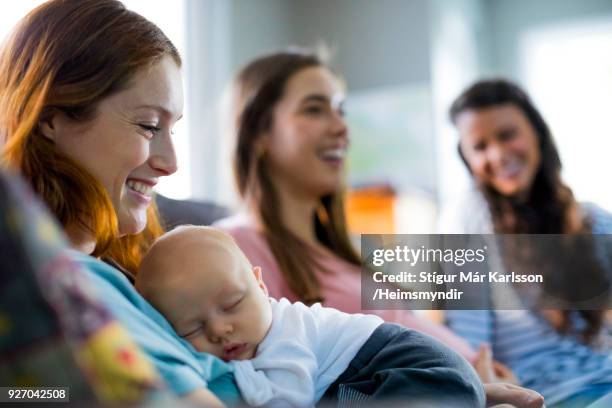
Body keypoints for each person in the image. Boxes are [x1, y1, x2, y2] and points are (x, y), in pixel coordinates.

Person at [215, 50, 544, 408]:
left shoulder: (342, 254)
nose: (342, 127)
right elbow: (269, 382)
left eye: (341, 109)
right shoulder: (234, 247)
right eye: (314, 108)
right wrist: (475, 390)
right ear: (258, 132)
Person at [0, 1, 237, 406]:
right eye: (148, 126)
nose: (172, 164)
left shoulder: (363, 235)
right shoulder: (232, 239)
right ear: (51, 117)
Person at [135, 225, 486, 407]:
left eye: (232, 305)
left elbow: (292, 398)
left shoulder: (283, 332)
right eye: (192, 328)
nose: (220, 330)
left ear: (260, 285)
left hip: (403, 364)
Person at [442, 78, 612, 407]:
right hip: (552, 395)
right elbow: (472, 348)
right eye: (480, 146)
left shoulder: (595, 220)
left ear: (537, 133)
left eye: (507, 135)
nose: (499, 154)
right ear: (467, 159)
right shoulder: (467, 222)